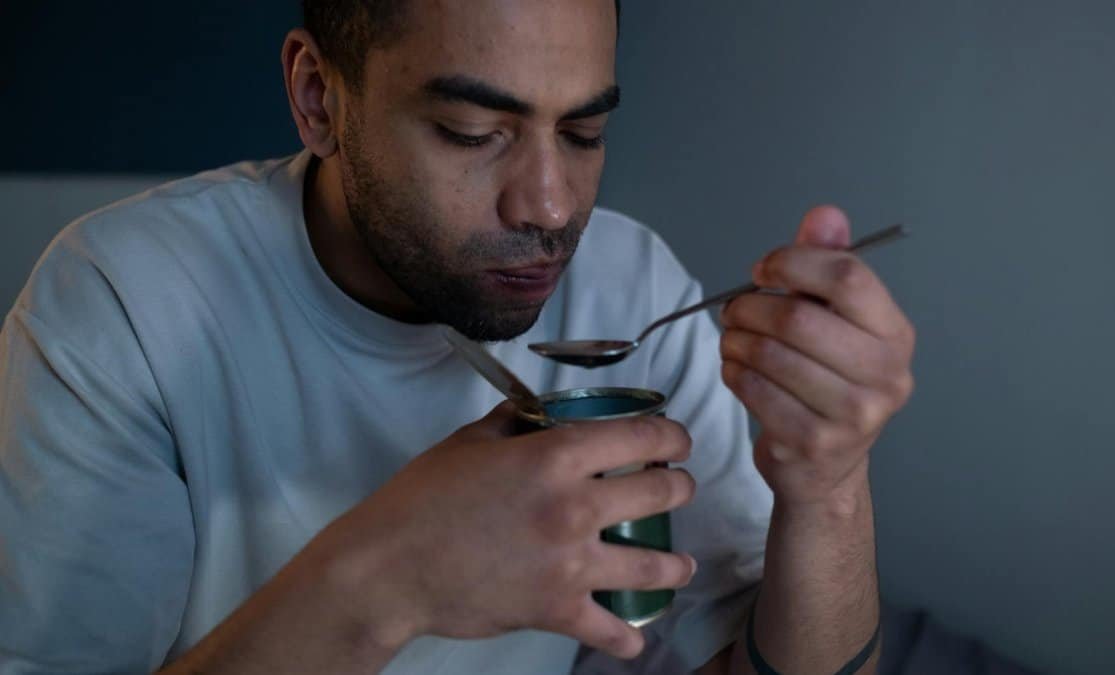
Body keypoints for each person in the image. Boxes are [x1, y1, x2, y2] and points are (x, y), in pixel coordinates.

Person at [0, 1, 914, 673]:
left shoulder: (630, 286)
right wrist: (385, 577)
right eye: (471, 131)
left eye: (585, 131)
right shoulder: (124, 301)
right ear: (319, 98)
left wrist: (828, 489)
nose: (551, 207)